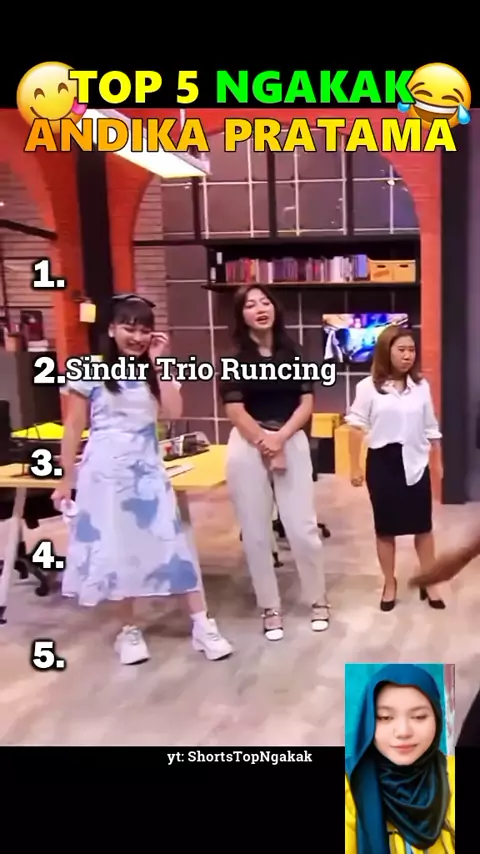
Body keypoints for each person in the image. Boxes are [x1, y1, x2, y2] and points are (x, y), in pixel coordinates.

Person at [52, 294, 232, 665]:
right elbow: (73, 426)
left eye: (144, 330)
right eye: (129, 328)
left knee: (174, 545)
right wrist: (64, 479)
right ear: (111, 329)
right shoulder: (89, 369)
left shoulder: (153, 369)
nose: (137, 337)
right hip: (103, 473)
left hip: (147, 469)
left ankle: (202, 624)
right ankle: (128, 630)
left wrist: (158, 362)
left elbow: (173, 411)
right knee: (117, 550)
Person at [220, 284, 329, 641]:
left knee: (302, 529)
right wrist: (265, 442)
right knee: (255, 533)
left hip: (290, 438)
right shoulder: (234, 358)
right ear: (242, 316)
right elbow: (235, 409)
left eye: (264, 302)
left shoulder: (294, 353)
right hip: (248, 442)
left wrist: (280, 439)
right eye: (250, 305)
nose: (259, 309)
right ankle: (270, 606)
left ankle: (318, 599)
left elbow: (306, 403)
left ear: (274, 308)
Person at [346, 325, 445, 611]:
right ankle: (390, 583)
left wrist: (438, 462)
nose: (407, 355)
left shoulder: (421, 387)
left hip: (415, 460)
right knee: (385, 529)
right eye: (401, 349)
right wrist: (354, 467)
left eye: (411, 350)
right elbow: (355, 427)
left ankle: (430, 581)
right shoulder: (368, 387)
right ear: (386, 352)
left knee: (423, 527)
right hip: (383, 462)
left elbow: (431, 427)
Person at [345, 663, 455, 853]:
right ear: (368, 721)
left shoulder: (452, 773)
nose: (403, 732)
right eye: (385, 717)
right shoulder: (350, 783)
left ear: (437, 718)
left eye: (419, 717)